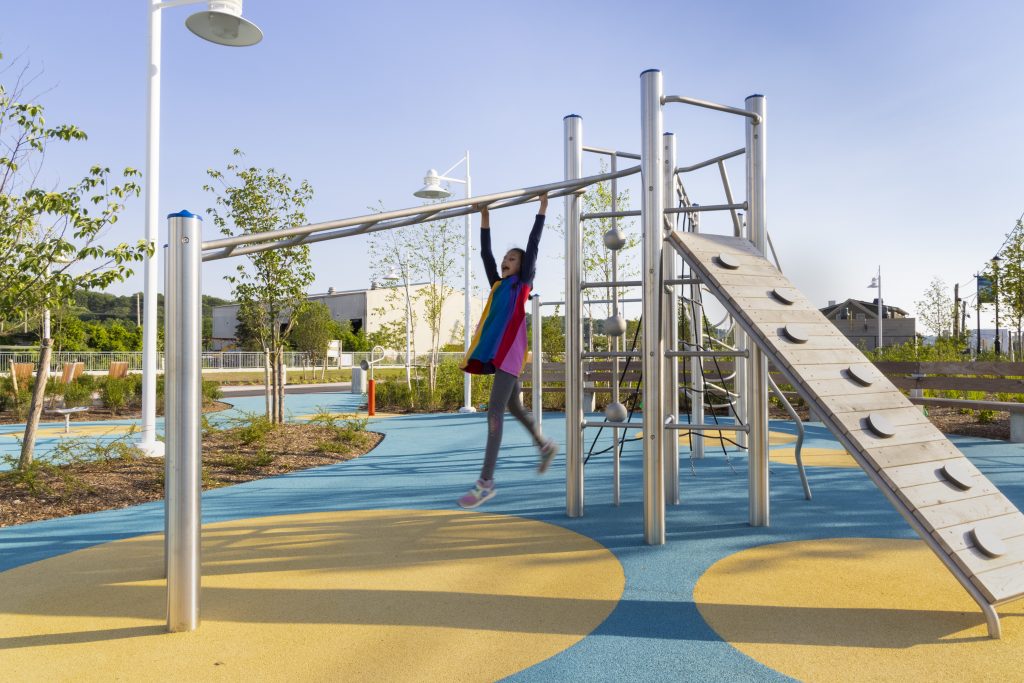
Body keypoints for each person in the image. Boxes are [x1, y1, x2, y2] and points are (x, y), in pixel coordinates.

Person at [457, 193, 558, 508]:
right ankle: (544, 446)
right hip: (499, 353)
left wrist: (542, 207)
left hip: (510, 353)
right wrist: (484, 216)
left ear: (523, 265)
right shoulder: (497, 285)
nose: (505, 261)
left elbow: (534, 242)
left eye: (512, 258)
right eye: (506, 259)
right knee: (513, 406)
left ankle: (485, 482)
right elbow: (485, 253)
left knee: (495, 411)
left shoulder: (522, 285)